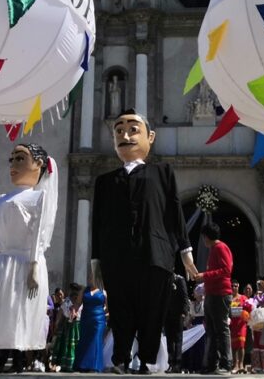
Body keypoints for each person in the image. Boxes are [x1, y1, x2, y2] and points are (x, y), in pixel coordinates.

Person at [91, 110, 199, 373]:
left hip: (155, 253)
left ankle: (148, 360)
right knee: (120, 308)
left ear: (150, 137)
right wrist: (96, 260)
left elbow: (174, 211)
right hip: (116, 255)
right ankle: (121, 359)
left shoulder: (162, 173)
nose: (125, 136)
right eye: (118, 131)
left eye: (133, 130)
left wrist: (185, 250)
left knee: (153, 310)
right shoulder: (105, 181)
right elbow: (98, 222)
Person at [0, 143, 57, 367]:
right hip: (0, 261)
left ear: (37, 164)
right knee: (0, 309)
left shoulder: (38, 198)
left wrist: (34, 266)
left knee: (19, 310)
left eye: (20, 159)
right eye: (12, 159)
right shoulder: (1, 198)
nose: (13, 165)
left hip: (23, 260)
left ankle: (18, 357)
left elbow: (38, 235)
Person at [196, 224, 233, 375]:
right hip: (212, 293)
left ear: (206, 236)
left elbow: (226, 270)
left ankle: (226, 362)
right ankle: (211, 364)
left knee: (221, 329)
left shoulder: (220, 247)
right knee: (211, 330)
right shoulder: (214, 249)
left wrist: (205, 275)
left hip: (220, 293)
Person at [74, 283, 107, 373]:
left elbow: (108, 308)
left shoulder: (103, 291)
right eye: (90, 276)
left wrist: (101, 312)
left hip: (99, 320)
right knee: (85, 340)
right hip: (86, 319)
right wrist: (74, 311)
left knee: (96, 340)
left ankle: (94, 366)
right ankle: (82, 365)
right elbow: (77, 303)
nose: (91, 279)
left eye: (93, 276)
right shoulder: (84, 290)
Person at [51, 283, 82, 372]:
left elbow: (61, 313)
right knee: (68, 346)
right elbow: (61, 312)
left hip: (76, 325)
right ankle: (68, 365)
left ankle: (73, 364)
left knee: (72, 345)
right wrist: (57, 324)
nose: (72, 293)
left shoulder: (78, 302)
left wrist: (57, 324)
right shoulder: (68, 301)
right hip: (69, 326)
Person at [164, 273, 189, 373]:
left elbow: (185, 296)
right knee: (169, 340)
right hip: (167, 315)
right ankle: (171, 363)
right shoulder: (165, 280)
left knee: (178, 339)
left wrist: (184, 312)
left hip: (178, 314)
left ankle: (177, 364)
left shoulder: (179, 279)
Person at [228, 280, 252, 374]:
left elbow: (250, 308)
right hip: (232, 325)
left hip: (242, 324)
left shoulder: (243, 297)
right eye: (232, 286)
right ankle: (235, 365)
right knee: (234, 346)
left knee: (241, 345)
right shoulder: (228, 298)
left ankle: (241, 365)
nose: (234, 287)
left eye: (236, 286)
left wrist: (247, 315)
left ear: (238, 287)